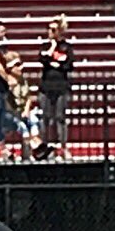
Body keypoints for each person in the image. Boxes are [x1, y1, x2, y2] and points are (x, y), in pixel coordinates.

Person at [34, 15, 75, 157]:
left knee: (60, 117)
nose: (49, 32)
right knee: (45, 118)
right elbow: (43, 59)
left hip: (61, 87)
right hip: (46, 87)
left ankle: (63, 147)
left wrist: (57, 64)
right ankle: (45, 148)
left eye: (53, 29)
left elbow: (69, 65)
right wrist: (52, 47)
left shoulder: (66, 47)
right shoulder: (45, 46)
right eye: (49, 29)